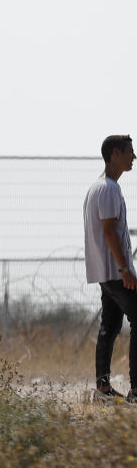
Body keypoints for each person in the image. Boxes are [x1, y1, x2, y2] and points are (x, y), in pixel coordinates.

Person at [84, 134, 137, 402]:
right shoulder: (108, 189)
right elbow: (109, 232)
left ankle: (103, 390)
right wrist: (125, 268)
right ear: (115, 153)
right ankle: (136, 391)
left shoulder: (98, 187)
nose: (134, 157)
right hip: (115, 272)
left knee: (110, 326)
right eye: (130, 152)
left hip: (105, 271)